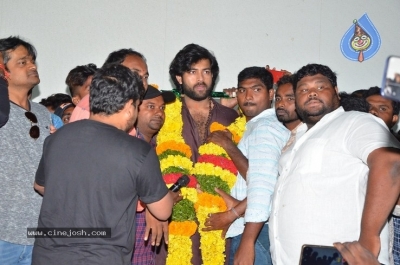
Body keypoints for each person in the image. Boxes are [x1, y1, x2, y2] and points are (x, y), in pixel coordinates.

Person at [32, 64, 173, 265]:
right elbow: (163, 211)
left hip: (47, 257)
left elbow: (40, 186)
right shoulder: (138, 151)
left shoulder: (56, 139)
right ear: (130, 105)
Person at [269, 63, 400, 264]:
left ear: (336, 92)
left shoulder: (356, 121)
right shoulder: (299, 136)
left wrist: (369, 239)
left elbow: (391, 163)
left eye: (320, 87)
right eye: (303, 89)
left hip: (342, 258)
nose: (312, 93)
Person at [205, 67, 289, 265]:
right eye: (242, 90)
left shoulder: (265, 128)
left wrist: (246, 239)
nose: (248, 96)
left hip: (254, 232)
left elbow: (264, 184)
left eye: (256, 90)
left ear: (271, 94)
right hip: (252, 229)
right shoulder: (254, 125)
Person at [168, 43, 238, 265]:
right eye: (192, 72)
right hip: (175, 219)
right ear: (179, 78)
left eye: (206, 71)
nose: (200, 78)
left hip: (219, 221)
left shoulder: (230, 118)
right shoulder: (164, 116)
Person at [0, 36, 51, 265]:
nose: (32, 66)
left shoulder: (43, 113)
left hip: (39, 235)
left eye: (32, 61)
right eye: (22, 62)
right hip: (3, 236)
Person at [133, 85, 176, 265]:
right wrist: (151, 204)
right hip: (131, 242)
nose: (159, 113)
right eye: (151, 106)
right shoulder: (130, 147)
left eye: (162, 108)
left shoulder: (158, 146)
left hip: (149, 248)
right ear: (134, 109)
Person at [69, 49, 148, 123]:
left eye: (145, 77)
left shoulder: (131, 105)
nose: (143, 83)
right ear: (112, 73)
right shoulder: (91, 105)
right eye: (135, 74)